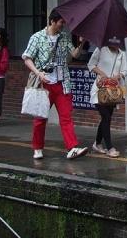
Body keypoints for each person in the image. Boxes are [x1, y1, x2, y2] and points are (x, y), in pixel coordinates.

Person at [22, 10, 89, 162]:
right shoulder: (37, 37)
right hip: (44, 84)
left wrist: (81, 43)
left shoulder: (64, 37)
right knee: (40, 118)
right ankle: (37, 147)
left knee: (66, 117)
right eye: (61, 22)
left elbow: (75, 54)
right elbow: (27, 58)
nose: (63, 25)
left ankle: (72, 148)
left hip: (62, 83)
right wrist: (38, 73)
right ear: (52, 21)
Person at [87, 36, 127, 158]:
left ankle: (97, 143)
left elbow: (124, 71)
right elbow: (91, 65)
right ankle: (110, 147)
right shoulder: (101, 49)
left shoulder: (122, 53)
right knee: (106, 117)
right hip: (100, 90)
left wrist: (118, 76)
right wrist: (102, 74)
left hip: (113, 92)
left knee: (107, 118)